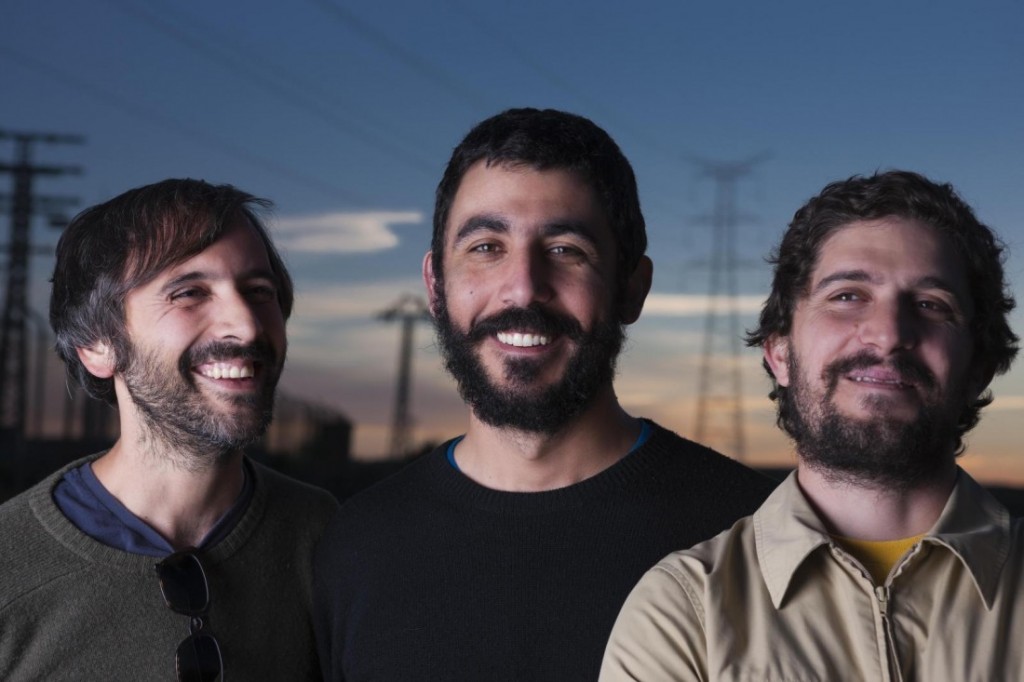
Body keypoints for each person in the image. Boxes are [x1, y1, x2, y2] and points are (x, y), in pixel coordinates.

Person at [312, 107, 776, 681]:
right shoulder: (355, 549)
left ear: (632, 287)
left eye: (565, 250)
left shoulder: (751, 538)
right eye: (485, 246)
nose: (524, 287)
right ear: (435, 285)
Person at [601, 170, 1024, 681]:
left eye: (931, 305)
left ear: (979, 367)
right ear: (779, 353)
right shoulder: (684, 614)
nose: (889, 334)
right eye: (847, 295)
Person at [0, 179, 338, 681]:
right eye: (189, 293)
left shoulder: (328, 536)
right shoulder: (10, 563)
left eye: (259, 291)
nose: (245, 326)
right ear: (97, 346)